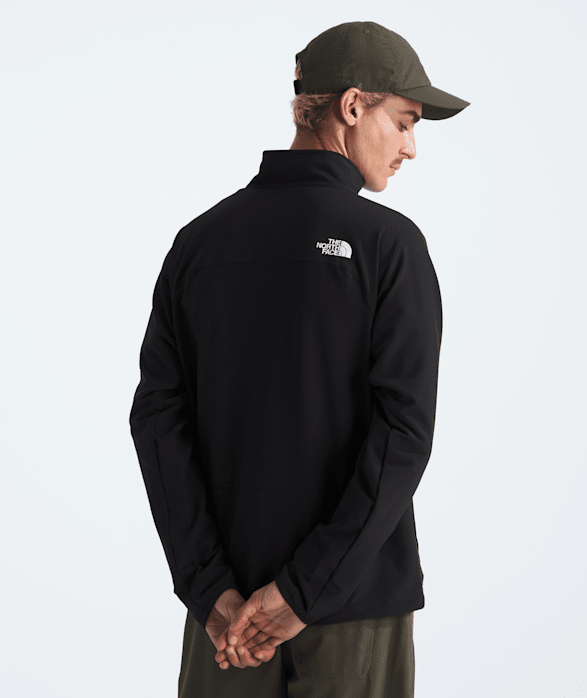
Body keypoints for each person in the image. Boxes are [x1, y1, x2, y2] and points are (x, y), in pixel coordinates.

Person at [129, 20, 470, 698]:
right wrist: (302, 591)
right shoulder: (388, 246)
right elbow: (403, 435)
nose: (410, 146)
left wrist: (209, 588)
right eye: (404, 122)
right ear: (353, 106)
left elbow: (158, 424)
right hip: (352, 613)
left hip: (227, 623)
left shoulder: (198, 243)